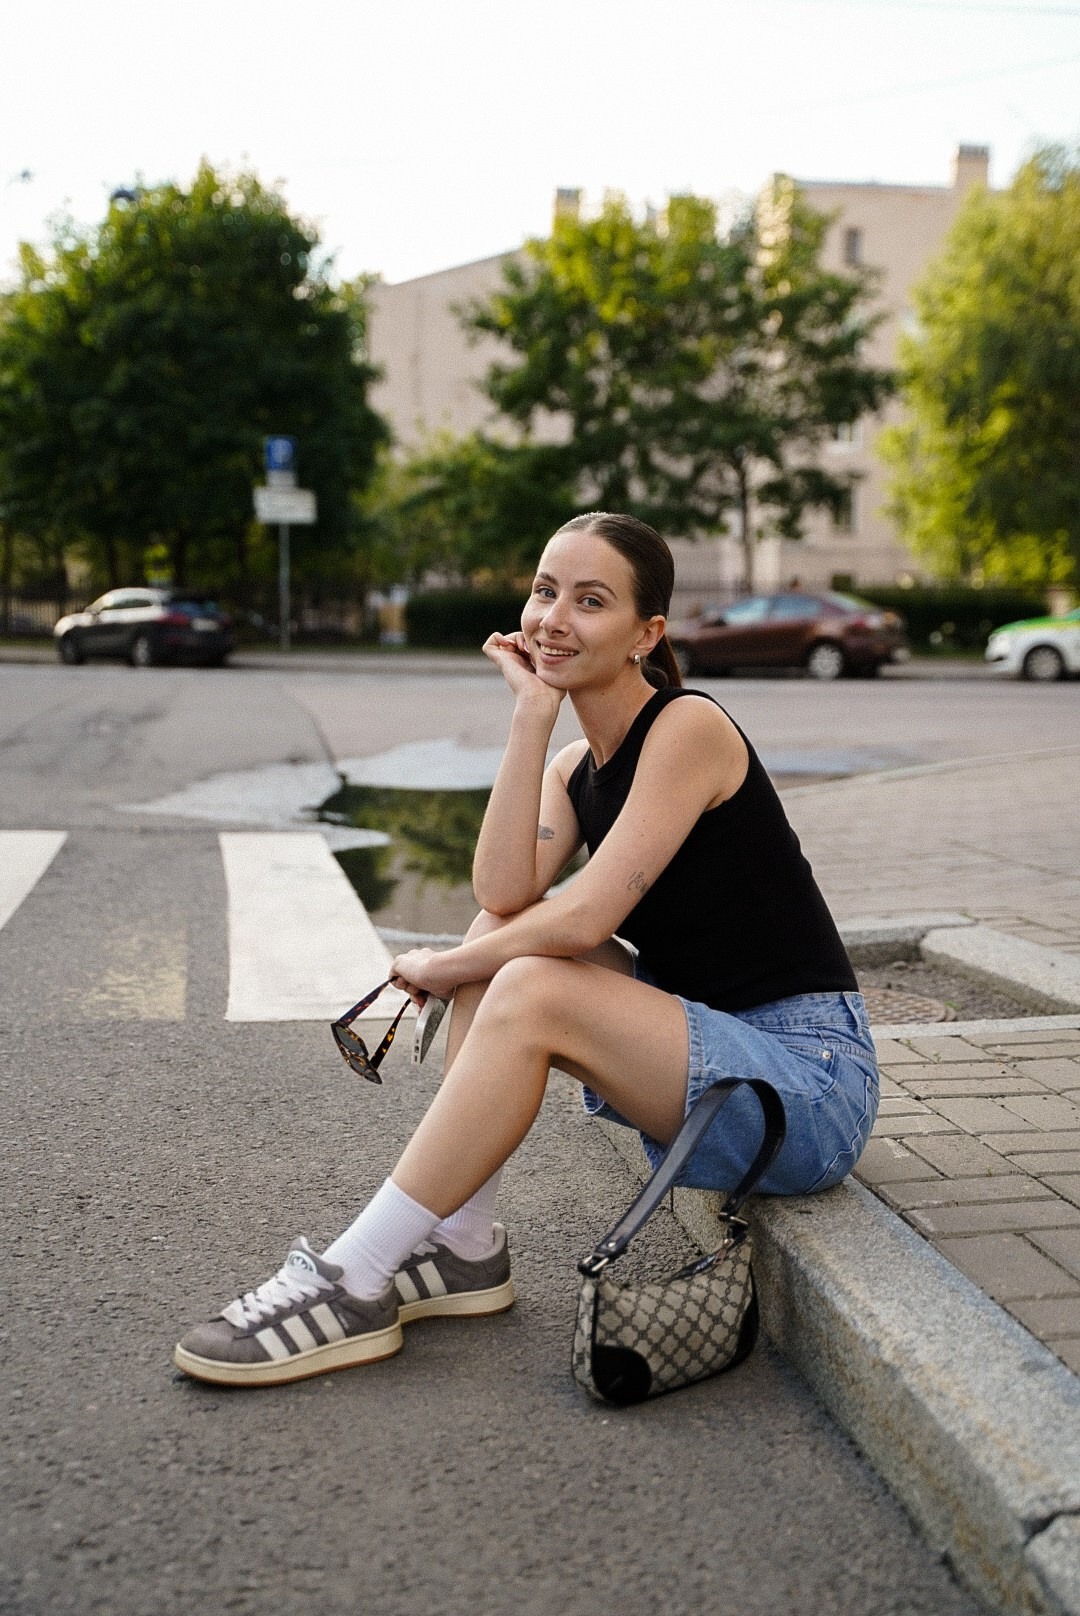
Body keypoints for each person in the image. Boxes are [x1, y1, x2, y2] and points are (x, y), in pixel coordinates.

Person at [174, 512, 879, 1387]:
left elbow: (582, 921)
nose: (554, 618)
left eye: (591, 601)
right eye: (545, 591)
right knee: (496, 942)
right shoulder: (581, 764)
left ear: (645, 635)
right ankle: (465, 1242)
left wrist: (440, 971)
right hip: (714, 1049)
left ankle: (353, 1279)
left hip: (808, 1085)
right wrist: (531, 717)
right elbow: (501, 894)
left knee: (523, 982)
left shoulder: (689, 728)